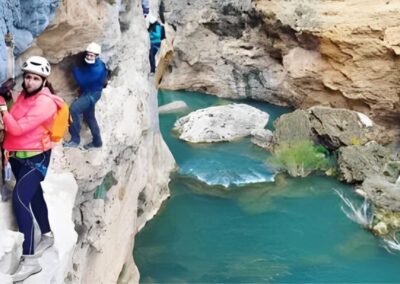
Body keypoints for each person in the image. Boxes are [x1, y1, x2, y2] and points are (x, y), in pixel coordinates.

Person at [0, 56, 60, 281]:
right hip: (19, 156)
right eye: (27, 77)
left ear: (44, 82)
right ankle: (47, 234)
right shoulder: (24, 96)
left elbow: (16, 129)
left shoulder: (46, 103)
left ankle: (30, 260)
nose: (30, 81)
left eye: (36, 78)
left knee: (20, 199)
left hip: (37, 159)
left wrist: (3, 109)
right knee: (35, 196)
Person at [63, 42, 107, 149]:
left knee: (73, 109)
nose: (88, 57)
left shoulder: (98, 69)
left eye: (91, 55)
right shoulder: (94, 64)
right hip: (90, 92)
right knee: (90, 117)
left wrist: (74, 69)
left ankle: (75, 140)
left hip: (92, 95)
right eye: (88, 54)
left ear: (97, 56)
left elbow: (82, 80)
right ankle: (97, 142)